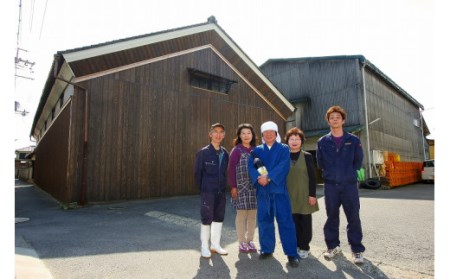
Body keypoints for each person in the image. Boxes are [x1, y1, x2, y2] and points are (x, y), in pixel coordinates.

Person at [316, 106, 365, 264]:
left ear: (343, 120)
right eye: (332, 117)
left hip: (349, 185)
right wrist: (331, 173)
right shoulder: (322, 141)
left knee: (353, 217)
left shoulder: (353, 140)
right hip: (330, 185)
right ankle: (333, 247)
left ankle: (357, 250)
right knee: (331, 216)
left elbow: (358, 161)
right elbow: (320, 162)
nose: (335, 119)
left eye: (338, 117)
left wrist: (348, 173)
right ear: (328, 121)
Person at [247, 121, 300, 268]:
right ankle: (267, 249)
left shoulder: (283, 149)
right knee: (264, 221)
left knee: (286, 222)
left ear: (276, 134)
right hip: (263, 191)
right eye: (266, 132)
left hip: (279, 191)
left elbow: (284, 165)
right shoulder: (257, 150)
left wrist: (268, 177)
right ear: (262, 135)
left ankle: (291, 254)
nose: (269, 134)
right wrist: (258, 178)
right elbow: (251, 166)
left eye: (272, 131)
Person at [194, 123, 229, 258]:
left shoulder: (225, 153)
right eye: (215, 131)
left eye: (221, 132)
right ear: (210, 134)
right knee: (206, 218)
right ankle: (204, 247)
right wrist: (204, 189)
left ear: (224, 135)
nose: (218, 134)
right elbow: (198, 174)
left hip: (221, 192)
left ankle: (215, 245)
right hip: (208, 192)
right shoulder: (203, 152)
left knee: (219, 218)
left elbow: (225, 172)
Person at [285, 127, 319, 259]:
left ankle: (305, 247)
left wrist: (312, 195)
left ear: (301, 141)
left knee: (305, 222)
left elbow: (313, 177)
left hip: (304, 195)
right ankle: (296, 244)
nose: (294, 141)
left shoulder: (307, 156)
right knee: (292, 222)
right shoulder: (283, 155)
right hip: (289, 195)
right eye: (291, 139)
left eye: (297, 139)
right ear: (287, 141)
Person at [228, 123, 258, 253]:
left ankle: (250, 240)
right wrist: (233, 187)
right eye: (243, 133)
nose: (246, 136)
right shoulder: (236, 150)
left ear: (252, 135)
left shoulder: (256, 150)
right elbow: (231, 170)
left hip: (254, 188)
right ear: (239, 136)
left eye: (249, 133)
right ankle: (241, 242)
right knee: (241, 216)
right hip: (240, 188)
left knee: (252, 216)